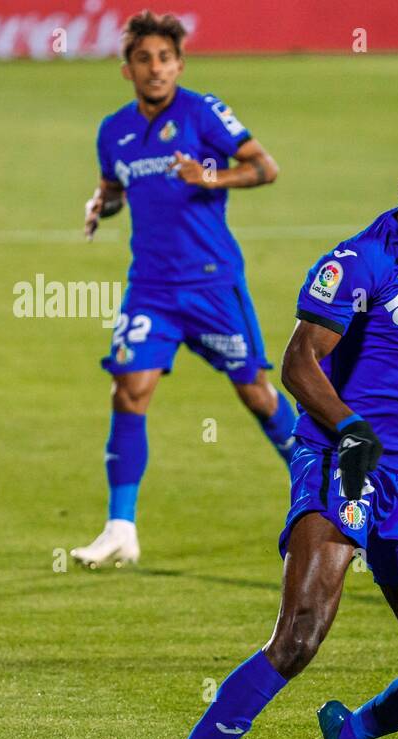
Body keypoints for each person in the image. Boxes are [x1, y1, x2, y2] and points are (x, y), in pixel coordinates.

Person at [131, 140, 398, 739]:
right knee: (297, 636)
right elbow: (298, 363)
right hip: (341, 459)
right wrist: (351, 427)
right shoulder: (357, 262)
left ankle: (350, 734)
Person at [73, 11, 289, 569]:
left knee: (255, 392)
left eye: (165, 59)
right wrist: (102, 204)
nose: (155, 69)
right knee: (129, 390)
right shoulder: (112, 130)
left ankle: (322, 488)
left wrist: (212, 177)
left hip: (212, 282)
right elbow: (117, 186)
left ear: (180, 64)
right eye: (144, 59)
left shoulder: (202, 113)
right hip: (150, 287)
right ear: (127, 69)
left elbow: (266, 167)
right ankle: (121, 527)